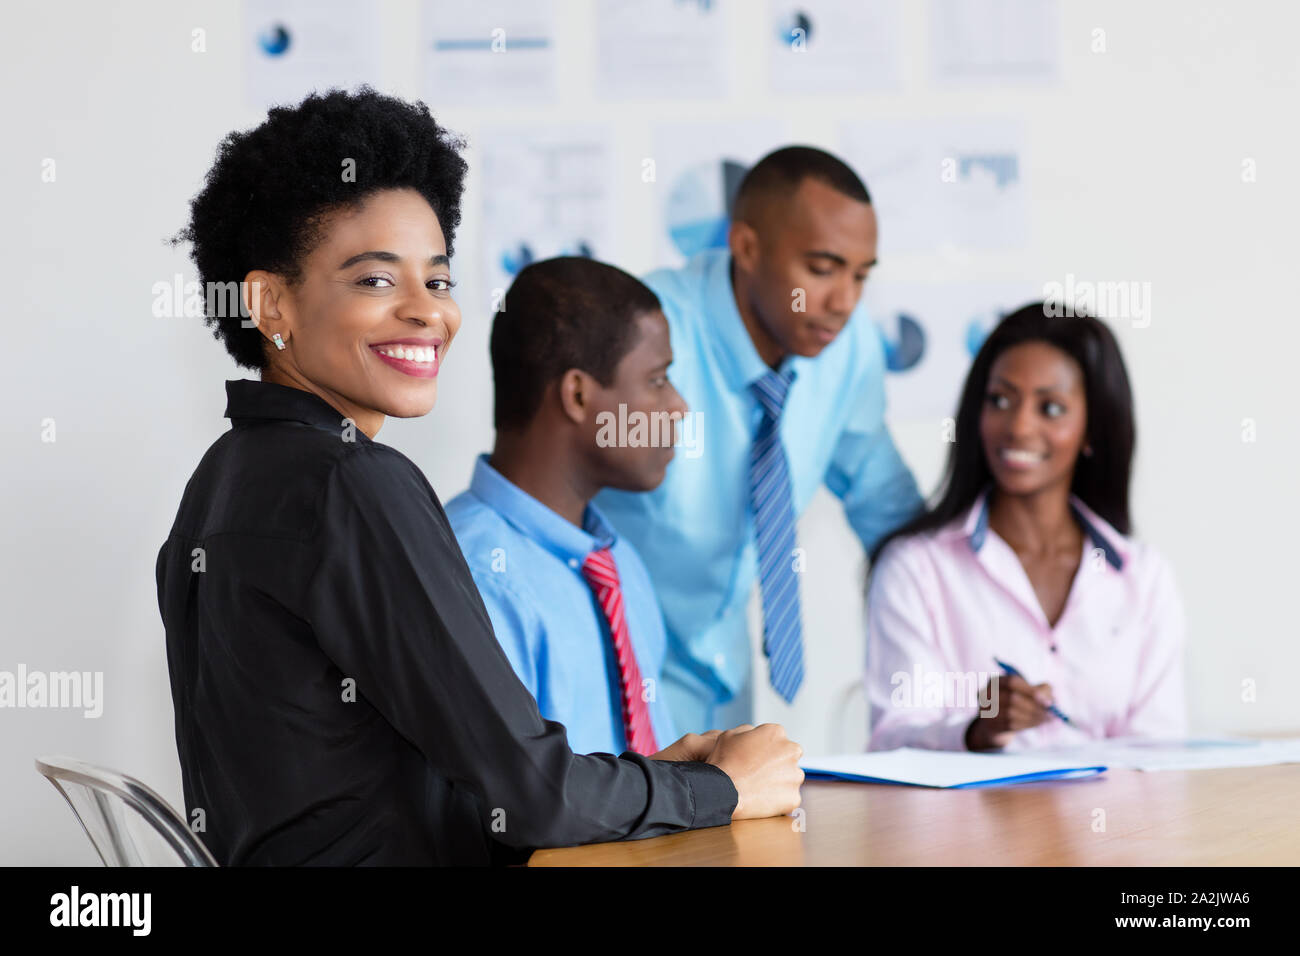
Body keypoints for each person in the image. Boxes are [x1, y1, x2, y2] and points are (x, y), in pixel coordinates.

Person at [156, 86, 803, 866]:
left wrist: (659, 777)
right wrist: (726, 789)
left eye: (437, 279)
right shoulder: (355, 485)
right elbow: (531, 796)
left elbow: (440, 778)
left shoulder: (221, 479)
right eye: (374, 280)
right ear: (270, 305)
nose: (427, 312)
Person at [595, 146, 923, 732]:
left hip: (725, 677)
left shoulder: (848, 350)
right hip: (611, 672)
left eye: (860, 275)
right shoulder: (645, 329)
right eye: (822, 270)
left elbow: (887, 506)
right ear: (746, 248)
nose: (844, 301)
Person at [864, 302, 1187, 752]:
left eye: (1050, 408)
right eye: (1000, 400)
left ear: (1093, 429)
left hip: (1116, 823)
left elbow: (1160, 752)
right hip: (967, 825)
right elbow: (892, 740)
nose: (1018, 426)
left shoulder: (1143, 577)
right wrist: (976, 730)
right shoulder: (916, 568)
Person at [447, 257, 687, 757]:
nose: (678, 407)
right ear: (577, 395)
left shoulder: (618, 564)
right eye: (658, 380)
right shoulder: (473, 579)